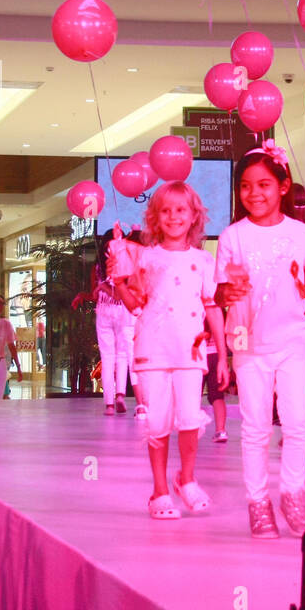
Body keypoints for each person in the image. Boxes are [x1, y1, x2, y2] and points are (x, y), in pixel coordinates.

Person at [215, 141, 305, 538]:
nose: (254, 194)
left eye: (263, 185)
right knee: (256, 426)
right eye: (245, 186)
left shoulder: (303, 234)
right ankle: (257, 502)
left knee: (298, 422)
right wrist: (225, 295)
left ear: (282, 187)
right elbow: (220, 291)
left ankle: (293, 496)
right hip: (246, 340)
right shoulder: (233, 236)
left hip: (293, 339)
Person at [112, 181, 225, 520]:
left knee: (190, 419)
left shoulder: (204, 261)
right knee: (158, 422)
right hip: (152, 350)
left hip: (191, 351)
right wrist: (119, 282)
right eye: (166, 211)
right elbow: (136, 304)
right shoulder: (145, 258)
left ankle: (186, 479)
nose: (174, 217)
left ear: (194, 217)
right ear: (155, 217)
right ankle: (159, 490)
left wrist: (221, 352)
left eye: (181, 210)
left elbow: (212, 306)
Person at [94, 238, 135, 417]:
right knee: (122, 355)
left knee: (107, 357)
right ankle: (120, 395)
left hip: (103, 313)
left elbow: (94, 293)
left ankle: (109, 404)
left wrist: (102, 286)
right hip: (122, 312)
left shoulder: (97, 269)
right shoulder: (126, 266)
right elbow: (121, 296)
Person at [0, 295, 23, 401]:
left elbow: (12, 346)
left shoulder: (5, 323)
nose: (1, 306)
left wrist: (18, 367)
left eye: (2, 304)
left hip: (0, 362)